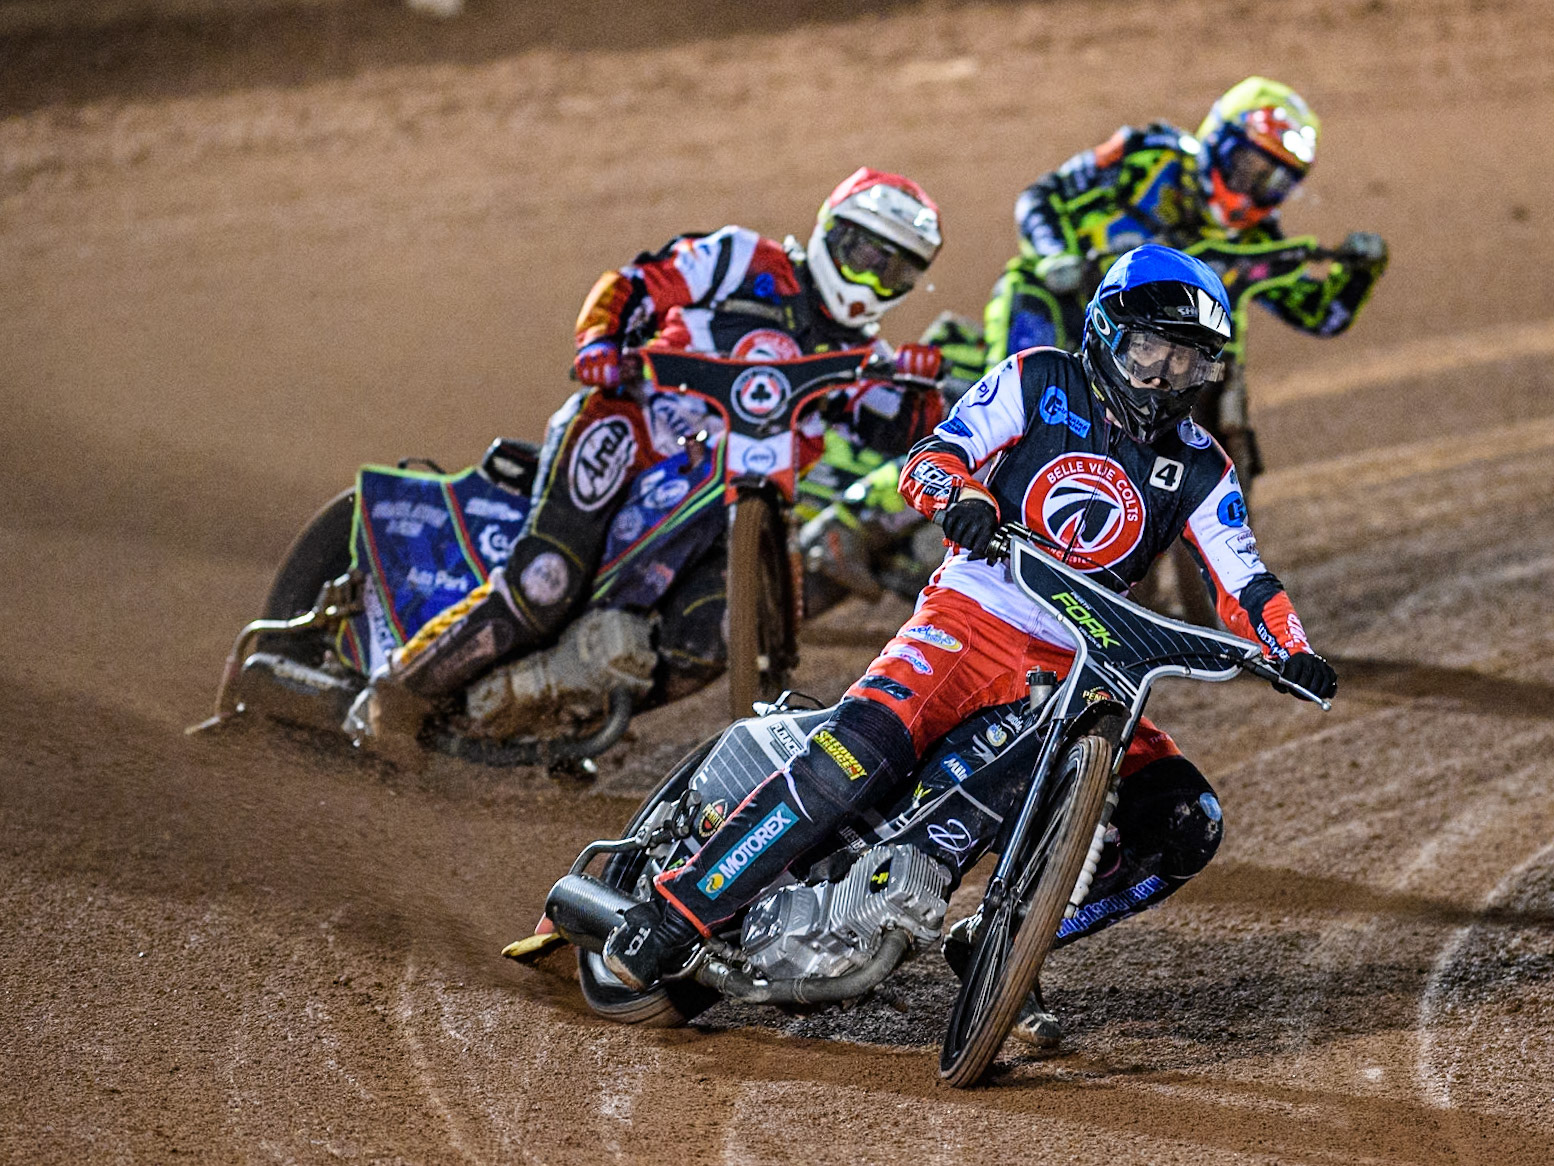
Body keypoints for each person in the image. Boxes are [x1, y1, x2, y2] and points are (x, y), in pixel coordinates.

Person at [602, 245, 1338, 1045]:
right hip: (972, 618)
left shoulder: (1201, 466)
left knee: (1188, 823)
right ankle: (677, 911)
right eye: (1148, 351)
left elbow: (1247, 579)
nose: (1163, 377)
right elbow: (936, 453)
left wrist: (1290, 648)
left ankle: (1003, 939)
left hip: (1092, 663)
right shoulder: (1038, 378)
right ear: (1105, 331)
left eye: (1186, 361)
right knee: (854, 761)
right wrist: (961, 496)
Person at [345, 169, 947, 736]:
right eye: (863, 256)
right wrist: (600, 340)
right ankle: (391, 697)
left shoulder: (864, 362)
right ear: (829, 231)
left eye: (894, 272)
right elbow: (634, 285)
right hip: (632, 427)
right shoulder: (742, 259)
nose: (871, 280)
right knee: (546, 581)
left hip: (727, 503)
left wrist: (918, 392)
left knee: (709, 641)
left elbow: (898, 430)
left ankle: (566, 719)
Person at [971, 76, 1389, 469]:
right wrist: (1056, 255)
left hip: (1153, 350)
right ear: (1220, 140)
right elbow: (1042, 196)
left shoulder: (1255, 241)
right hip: (1072, 302)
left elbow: (1321, 315)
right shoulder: (1148, 155)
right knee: (1031, 316)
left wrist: (1359, 273)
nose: (1252, 191)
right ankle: (994, 460)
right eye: (1249, 168)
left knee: (1206, 358)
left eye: (1274, 182)